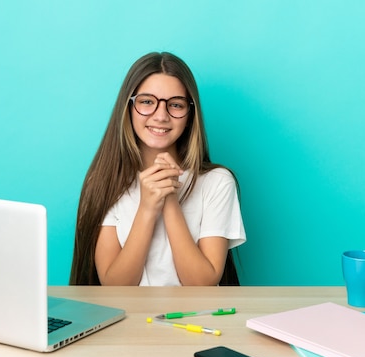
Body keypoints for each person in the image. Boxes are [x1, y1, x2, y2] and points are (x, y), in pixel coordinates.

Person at [69, 52, 245, 286]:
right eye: (147, 102)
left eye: (175, 105)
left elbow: (202, 284)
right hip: (128, 320)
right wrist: (147, 208)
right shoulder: (104, 182)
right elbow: (115, 287)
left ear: (189, 115)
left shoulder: (217, 182)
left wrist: (169, 198)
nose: (161, 116)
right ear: (129, 107)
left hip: (190, 319)